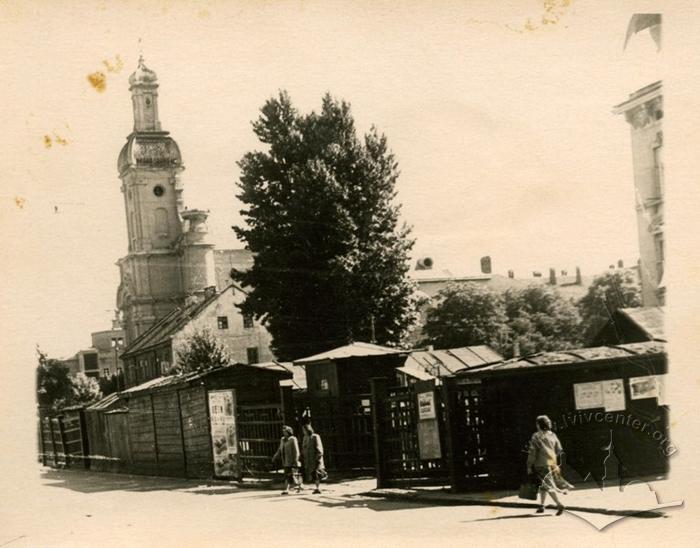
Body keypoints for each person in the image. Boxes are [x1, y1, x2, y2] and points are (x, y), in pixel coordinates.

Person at [526, 415, 573, 515]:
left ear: (538, 425)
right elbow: (559, 449)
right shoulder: (552, 435)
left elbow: (532, 452)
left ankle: (559, 504)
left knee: (548, 485)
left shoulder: (536, 436)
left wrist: (529, 465)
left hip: (541, 464)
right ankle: (541, 506)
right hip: (552, 463)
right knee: (544, 485)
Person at [272, 425, 302, 495]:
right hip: (285, 460)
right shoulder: (282, 439)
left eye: (285, 431)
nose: (284, 433)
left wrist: (296, 460)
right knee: (287, 475)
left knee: (292, 475)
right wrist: (275, 456)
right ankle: (288, 488)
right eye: (283, 432)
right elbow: (280, 449)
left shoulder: (293, 439)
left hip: (292, 460)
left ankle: (297, 486)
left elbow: (296, 450)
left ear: (289, 432)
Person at [301, 420, 327, 494]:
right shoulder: (305, 438)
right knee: (312, 473)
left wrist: (319, 456)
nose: (303, 431)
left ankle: (317, 488)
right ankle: (315, 487)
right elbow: (303, 448)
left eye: (304, 430)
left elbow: (319, 448)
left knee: (317, 474)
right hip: (308, 459)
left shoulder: (315, 436)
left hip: (315, 458)